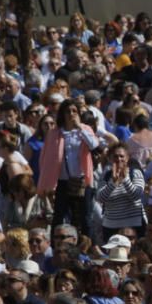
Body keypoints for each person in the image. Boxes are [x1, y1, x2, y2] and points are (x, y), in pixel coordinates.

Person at [37, 100, 98, 237]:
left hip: (82, 179)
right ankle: (54, 245)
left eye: (74, 111)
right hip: (62, 180)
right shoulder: (55, 133)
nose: (71, 114)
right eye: (68, 111)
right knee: (59, 216)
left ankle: (87, 246)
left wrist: (79, 127)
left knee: (85, 217)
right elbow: (46, 157)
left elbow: (94, 145)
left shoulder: (85, 129)